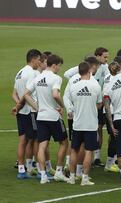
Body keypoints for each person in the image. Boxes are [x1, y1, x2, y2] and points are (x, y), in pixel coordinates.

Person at [24, 54, 69, 184]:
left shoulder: (38, 77)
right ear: (54, 65)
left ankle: (43, 175)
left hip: (41, 116)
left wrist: (37, 107)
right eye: (59, 66)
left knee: (42, 146)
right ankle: (59, 172)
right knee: (64, 143)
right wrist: (62, 106)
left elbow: (26, 94)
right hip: (53, 116)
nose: (59, 69)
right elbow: (55, 94)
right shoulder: (56, 78)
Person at [63, 56, 100, 178]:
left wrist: (70, 109)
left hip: (75, 118)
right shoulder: (94, 83)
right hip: (89, 121)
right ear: (90, 69)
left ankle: (72, 173)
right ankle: (82, 175)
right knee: (87, 149)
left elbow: (66, 96)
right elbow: (99, 104)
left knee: (74, 146)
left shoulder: (73, 81)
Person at [12, 49, 42, 179]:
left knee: (23, 140)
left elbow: (14, 93)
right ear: (34, 59)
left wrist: (18, 105)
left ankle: (22, 170)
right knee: (35, 140)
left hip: (22, 112)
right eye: (39, 60)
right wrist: (20, 105)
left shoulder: (20, 72)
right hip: (30, 111)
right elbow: (26, 93)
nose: (40, 63)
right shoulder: (32, 73)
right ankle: (35, 168)